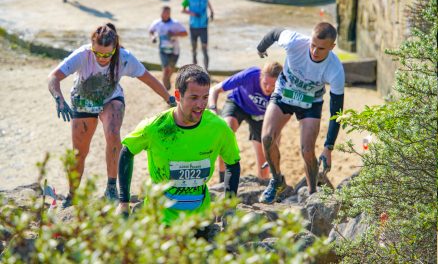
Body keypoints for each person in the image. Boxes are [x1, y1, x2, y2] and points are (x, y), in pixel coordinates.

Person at [48, 23, 175, 208]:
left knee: (113, 133)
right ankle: (72, 195)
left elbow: (148, 78)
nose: (102, 58)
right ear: (92, 46)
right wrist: (58, 98)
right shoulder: (83, 55)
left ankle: (111, 188)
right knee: (79, 153)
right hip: (83, 101)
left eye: (107, 54)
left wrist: (169, 98)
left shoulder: (124, 58)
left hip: (111, 98)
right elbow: (53, 77)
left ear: (114, 49)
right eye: (97, 53)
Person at [116, 64, 241, 225]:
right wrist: (123, 203)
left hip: (199, 220)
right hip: (160, 218)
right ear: (177, 95)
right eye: (194, 97)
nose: (201, 105)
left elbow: (233, 163)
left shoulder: (219, 128)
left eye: (205, 97)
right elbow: (127, 151)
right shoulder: (156, 127)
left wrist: (229, 207)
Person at [256, 22, 345, 203]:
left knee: (307, 150)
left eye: (321, 48)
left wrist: (329, 147)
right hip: (284, 94)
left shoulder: (335, 69)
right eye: (312, 45)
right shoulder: (295, 42)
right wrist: (261, 48)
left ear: (332, 47)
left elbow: (337, 112)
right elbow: (274, 32)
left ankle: (312, 192)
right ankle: (276, 180)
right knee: (266, 138)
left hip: (310, 102)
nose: (314, 51)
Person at [208, 62, 283, 181]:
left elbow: (277, 128)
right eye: (265, 83)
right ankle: (222, 179)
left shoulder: (283, 90)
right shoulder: (250, 75)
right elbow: (215, 89)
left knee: (264, 156)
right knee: (226, 132)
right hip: (238, 104)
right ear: (260, 76)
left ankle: (263, 184)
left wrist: (273, 149)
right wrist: (212, 110)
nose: (268, 88)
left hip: (261, 116)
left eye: (273, 85)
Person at [149, 6, 188, 91]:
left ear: (170, 13)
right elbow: (151, 31)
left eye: (167, 13)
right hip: (163, 50)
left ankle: (167, 79)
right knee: (165, 69)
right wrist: (152, 37)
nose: (165, 14)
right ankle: (165, 89)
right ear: (160, 13)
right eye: (163, 12)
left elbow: (185, 33)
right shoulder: (157, 23)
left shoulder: (175, 23)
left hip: (174, 50)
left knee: (171, 68)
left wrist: (175, 34)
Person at [182, 0, 214, 71]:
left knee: (205, 49)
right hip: (193, 26)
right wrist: (193, 14)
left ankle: (206, 70)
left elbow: (207, 2)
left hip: (204, 26)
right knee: (194, 49)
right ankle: (194, 70)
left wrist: (211, 11)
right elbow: (183, 10)